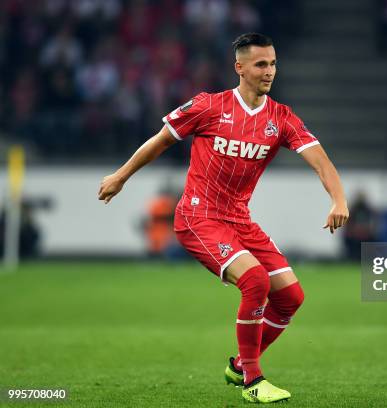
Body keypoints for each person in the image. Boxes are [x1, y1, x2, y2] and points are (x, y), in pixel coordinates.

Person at [97, 33, 349, 403]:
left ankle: (238, 364)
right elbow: (160, 140)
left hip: (239, 221)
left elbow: (320, 160)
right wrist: (120, 176)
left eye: (273, 63)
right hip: (198, 218)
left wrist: (338, 199)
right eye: (261, 64)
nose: (269, 71)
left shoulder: (281, 118)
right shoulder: (208, 107)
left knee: (292, 297)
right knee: (255, 281)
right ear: (240, 67)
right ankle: (252, 380)